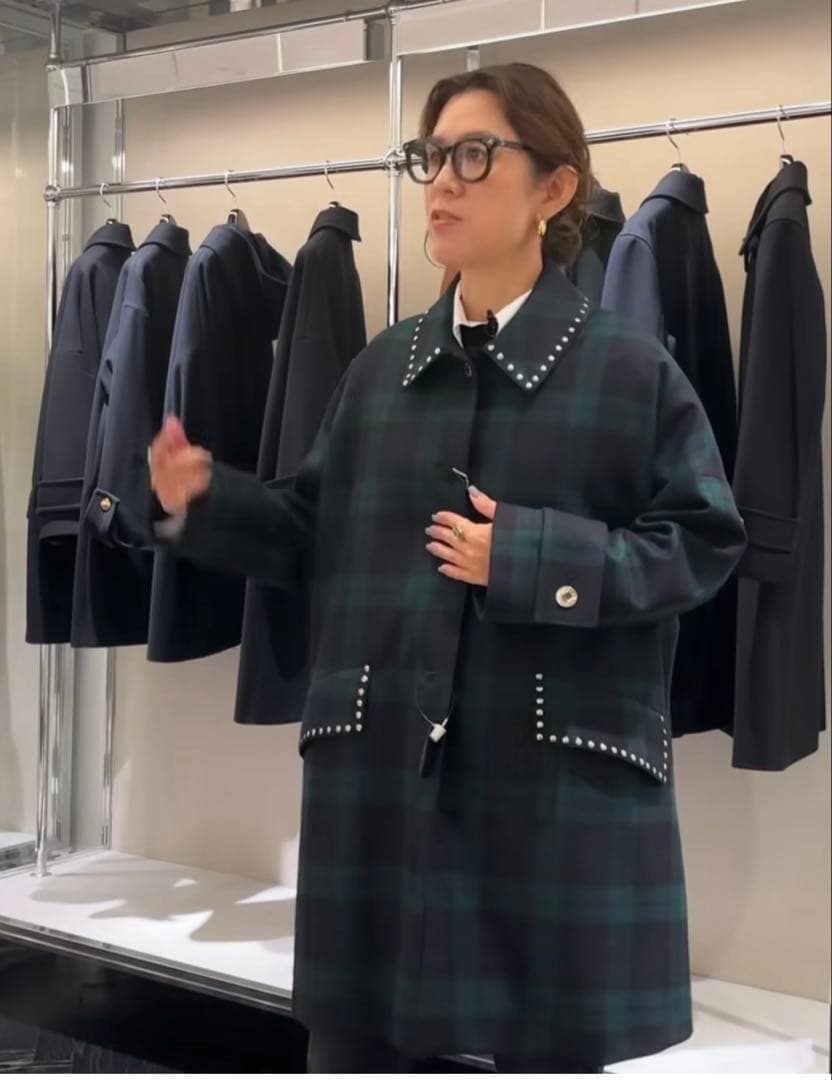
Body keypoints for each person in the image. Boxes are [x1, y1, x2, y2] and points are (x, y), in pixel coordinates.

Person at [150, 62, 747, 1074]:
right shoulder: (380, 371)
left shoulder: (627, 371)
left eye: (475, 155)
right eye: (430, 157)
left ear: (554, 188)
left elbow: (703, 542)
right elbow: (314, 535)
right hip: (378, 817)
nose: (441, 182)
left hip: (546, 824)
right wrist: (204, 503)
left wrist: (532, 556)